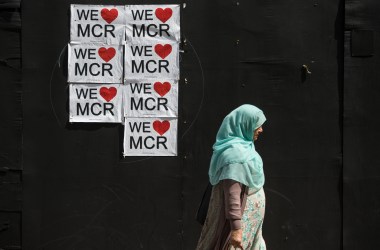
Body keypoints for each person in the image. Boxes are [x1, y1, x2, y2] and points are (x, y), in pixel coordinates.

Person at [196, 104, 267, 250]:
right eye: (257, 125)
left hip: (250, 227)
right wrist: (236, 230)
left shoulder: (246, 148)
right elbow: (233, 196)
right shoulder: (235, 155)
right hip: (238, 229)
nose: (261, 129)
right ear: (244, 124)